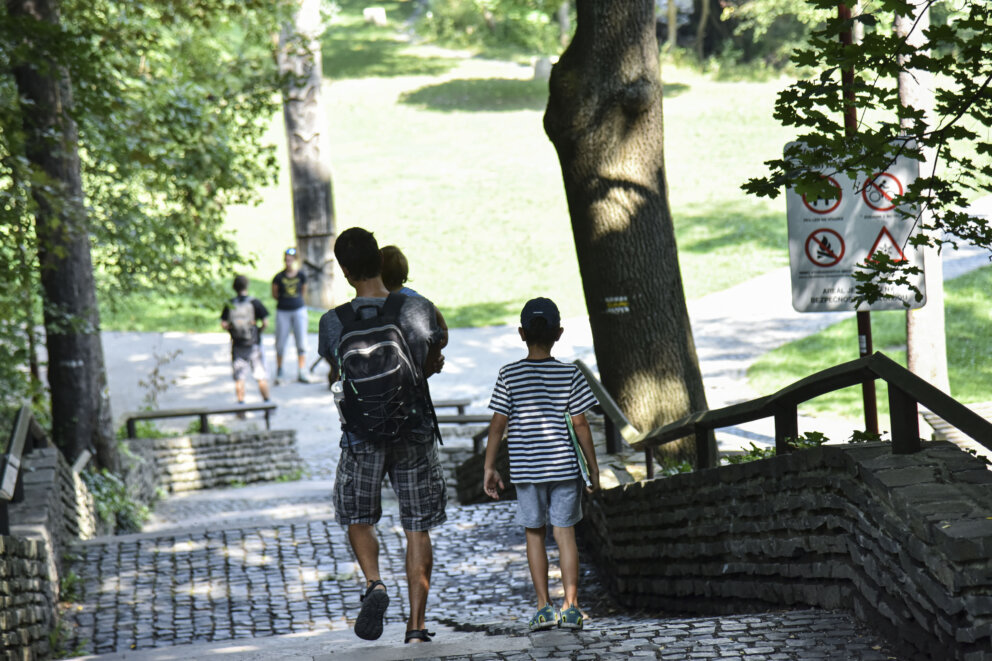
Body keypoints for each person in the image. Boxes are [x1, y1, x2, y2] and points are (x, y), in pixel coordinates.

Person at [317, 228, 446, 645]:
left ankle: (374, 582)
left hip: (361, 436)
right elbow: (433, 356)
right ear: (380, 260)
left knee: (357, 516)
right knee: (417, 527)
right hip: (413, 430)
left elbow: (336, 376)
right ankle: (416, 627)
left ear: (345, 270)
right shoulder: (417, 309)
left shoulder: (333, 322)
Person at [483, 297, 600, 632]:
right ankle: (572, 607)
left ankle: (543, 607)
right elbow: (581, 424)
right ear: (558, 333)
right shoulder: (570, 374)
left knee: (534, 534)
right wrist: (592, 467)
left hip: (527, 470)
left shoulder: (509, 374)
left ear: (521, 333)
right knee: (565, 534)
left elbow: (497, 425)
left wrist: (489, 467)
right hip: (564, 467)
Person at [380, 245, 449, 349]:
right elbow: (431, 307)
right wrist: (444, 328)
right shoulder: (411, 295)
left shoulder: (383, 297)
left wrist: (444, 329)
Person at [220, 275, 271, 406]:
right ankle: (267, 404)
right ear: (247, 286)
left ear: (234, 287)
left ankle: (241, 405)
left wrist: (232, 330)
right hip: (254, 344)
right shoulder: (255, 302)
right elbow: (265, 322)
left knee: (239, 377)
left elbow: (224, 324)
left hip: (237, 344)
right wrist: (258, 331)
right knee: (261, 375)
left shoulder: (230, 304)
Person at [271, 247, 310, 384]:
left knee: (301, 341)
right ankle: (279, 370)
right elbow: (275, 294)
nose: (288, 262)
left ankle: (302, 370)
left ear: (294, 260)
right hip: (283, 311)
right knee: (280, 342)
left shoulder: (301, 275)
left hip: (298, 310)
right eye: (286, 260)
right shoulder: (278, 277)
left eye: (290, 260)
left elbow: (303, 291)